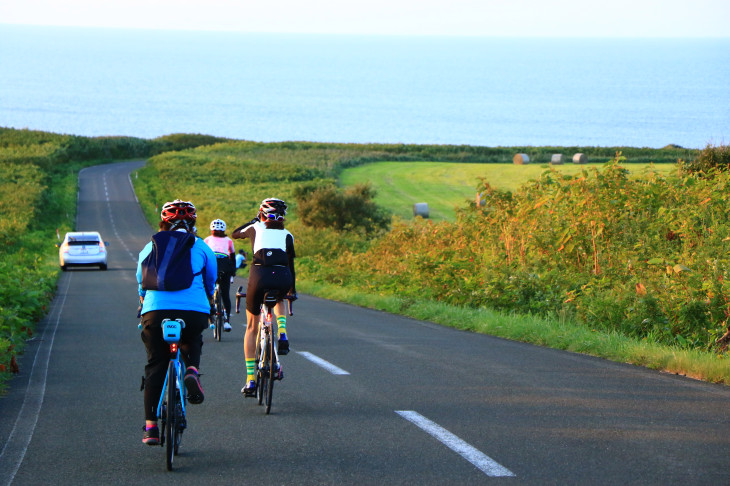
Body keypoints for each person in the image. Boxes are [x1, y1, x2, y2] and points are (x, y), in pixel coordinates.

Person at [137, 199, 217, 446]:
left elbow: (141, 280)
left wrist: (143, 302)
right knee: (193, 336)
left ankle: (151, 428)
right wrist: (208, 303)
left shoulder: (150, 246)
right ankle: (192, 370)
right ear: (193, 223)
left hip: (155, 312)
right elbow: (210, 279)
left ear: (163, 222)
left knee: (156, 364)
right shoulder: (202, 246)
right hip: (193, 311)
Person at [231, 197, 296, 396]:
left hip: (259, 276)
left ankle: (251, 379)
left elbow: (234, 234)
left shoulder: (255, 228)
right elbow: (290, 265)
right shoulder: (288, 235)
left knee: (252, 327)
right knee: (280, 298)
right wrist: (291, 291)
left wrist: (253, 221)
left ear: (261, 213)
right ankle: (282, 332)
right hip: (283, 276)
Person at [204, 218, 236, 332]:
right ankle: (227, 320)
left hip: (212, 264)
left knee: (208, 290)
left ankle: (211, 317)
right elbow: (232, 256)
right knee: (225, 293)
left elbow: (203, 255)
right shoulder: (228, 240)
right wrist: (233, 272)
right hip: (225, 265)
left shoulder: (207, 240)